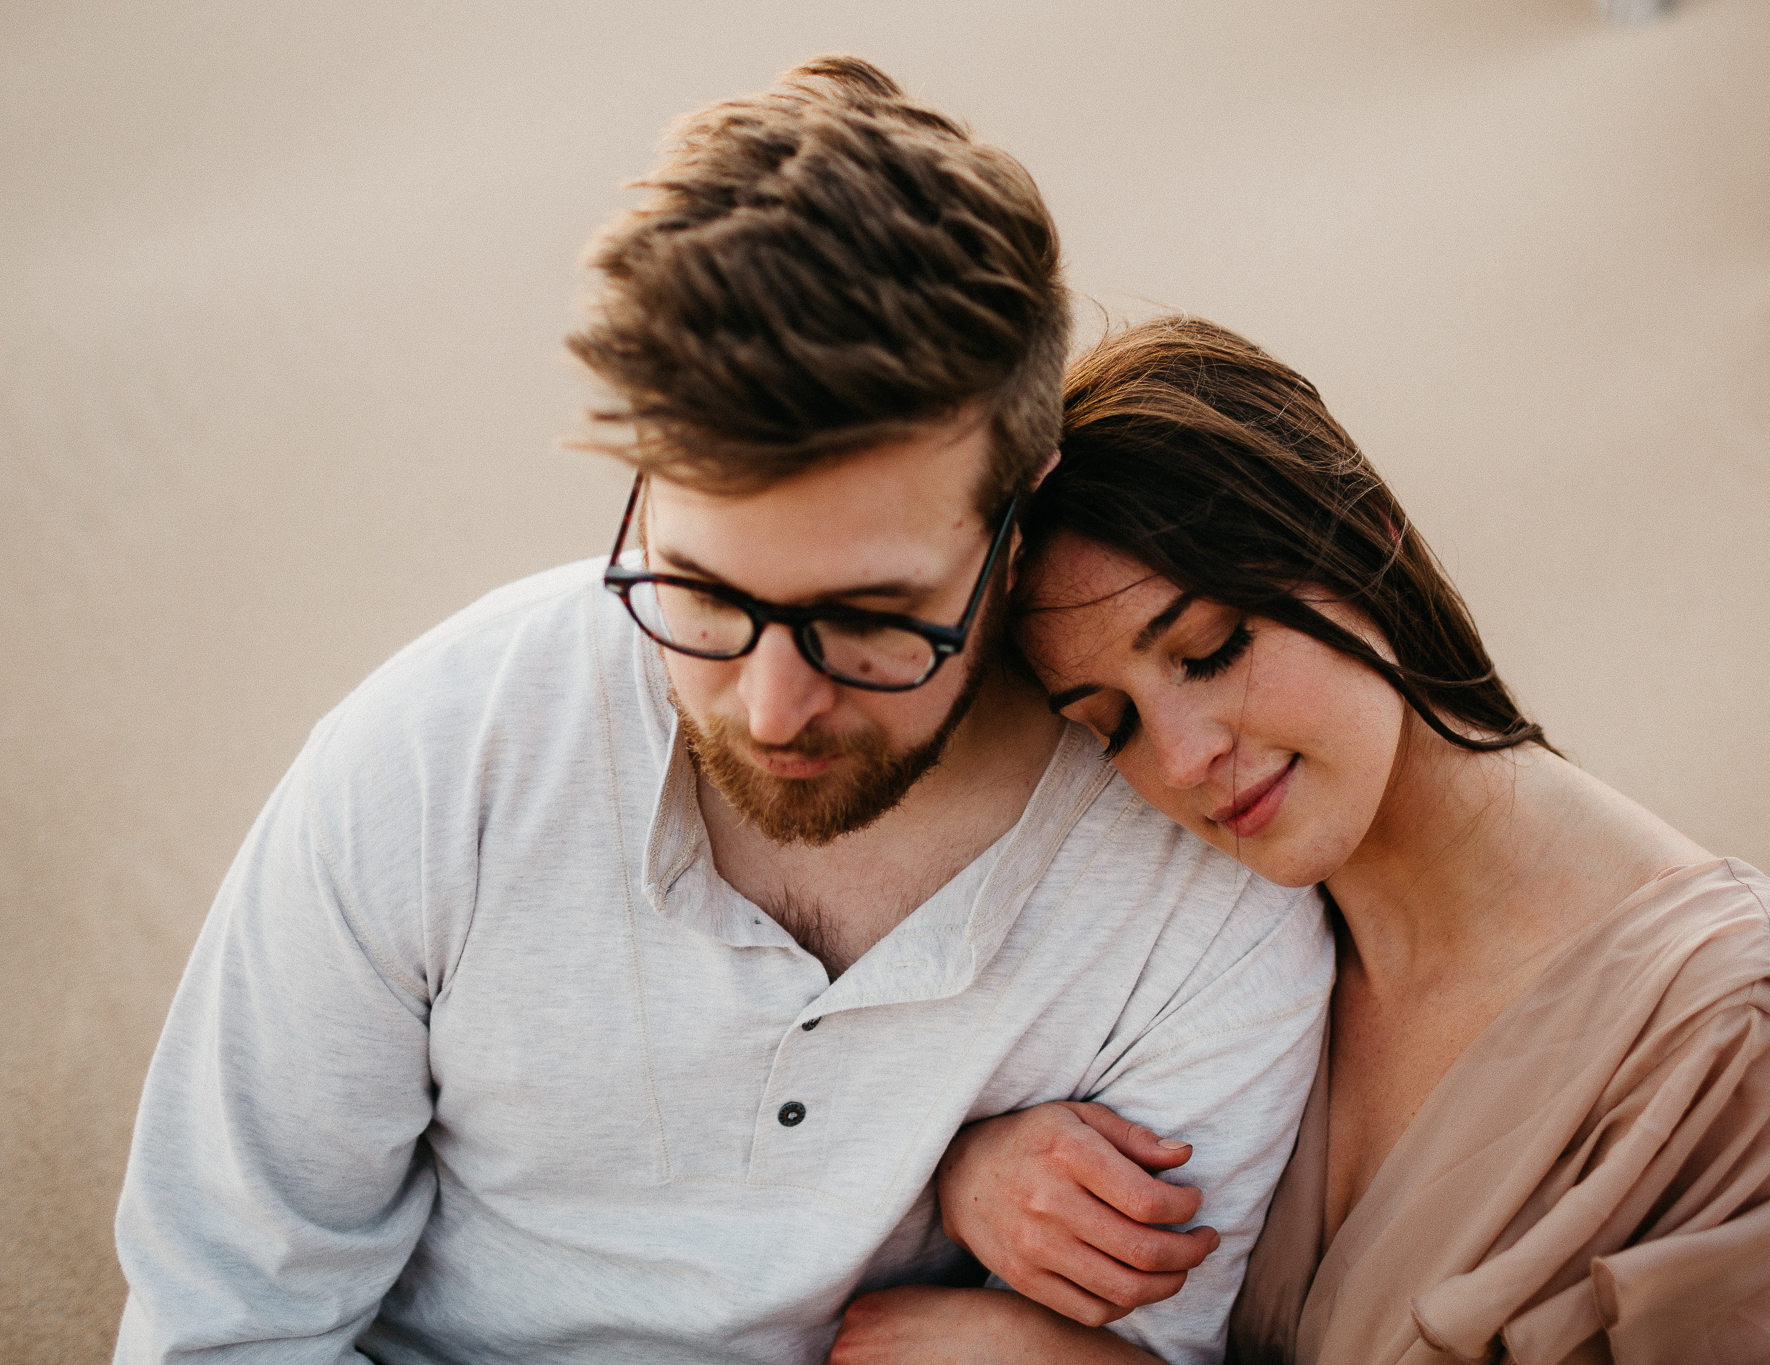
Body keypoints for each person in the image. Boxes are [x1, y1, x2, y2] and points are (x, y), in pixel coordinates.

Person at [111, 65, 1332, 1365]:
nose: (772, 705)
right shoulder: (438, 759)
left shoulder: (1204, 902)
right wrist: (938, 1182)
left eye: (869, 613)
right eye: (699, 588)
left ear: (1018, 522)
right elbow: (232, 1321)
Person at [830, 318, 1770, 1365]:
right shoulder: (1199, 925)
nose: (1177, 761)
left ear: (1362, 533)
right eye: (1110, 724)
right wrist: (965, 1172)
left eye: (1212, 649)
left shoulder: (1719, 1009)